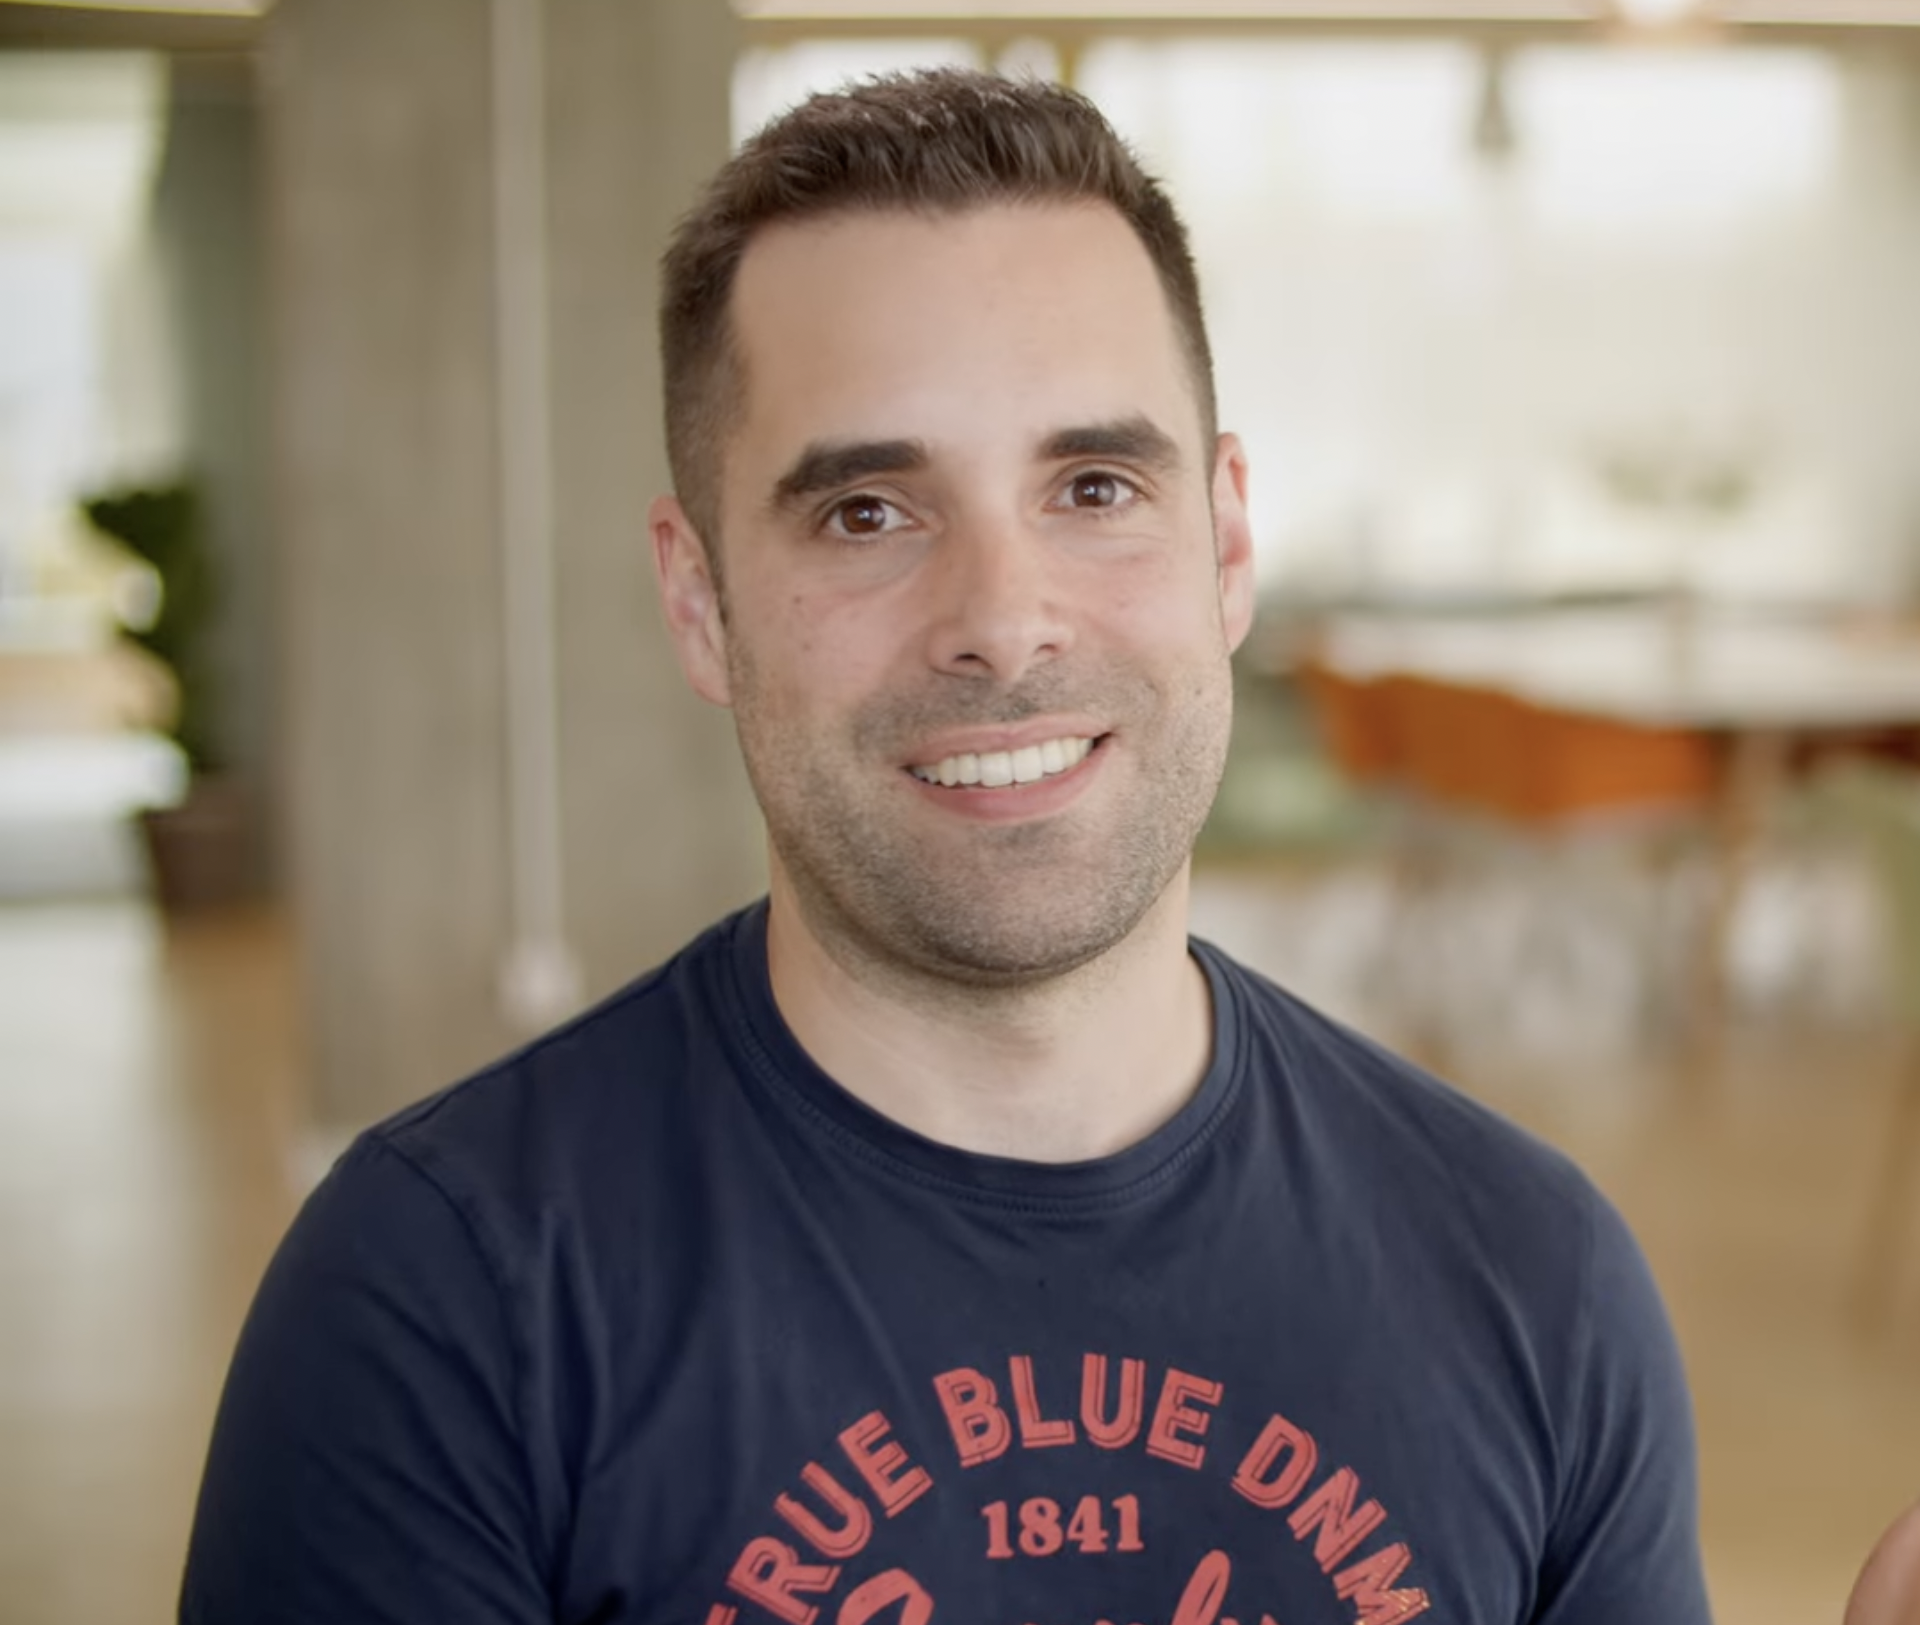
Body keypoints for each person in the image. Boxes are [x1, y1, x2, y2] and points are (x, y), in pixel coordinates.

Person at [180, 69, 1713, 1624]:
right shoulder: (440, 1306)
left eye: (1096, 486)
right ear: (699, 600)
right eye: (866, 514)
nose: (1001, 620)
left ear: (1228, 546)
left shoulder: (1536, 1278)